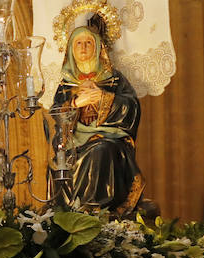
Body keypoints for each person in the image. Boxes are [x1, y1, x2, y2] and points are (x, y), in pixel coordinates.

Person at [51, 24, 145, 216]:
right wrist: (76, 103)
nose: (83, 47)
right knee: (60, 160)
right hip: (74, 142)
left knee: (101, 150)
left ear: (98, 48)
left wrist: (104, 98)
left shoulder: (114, 79)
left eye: (88, 43)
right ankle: (70, 212)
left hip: (110, 139)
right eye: (78, 43)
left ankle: (95, 209)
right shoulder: (66, 83)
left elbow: (132, 108)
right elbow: (55, 115)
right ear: (71, 50)